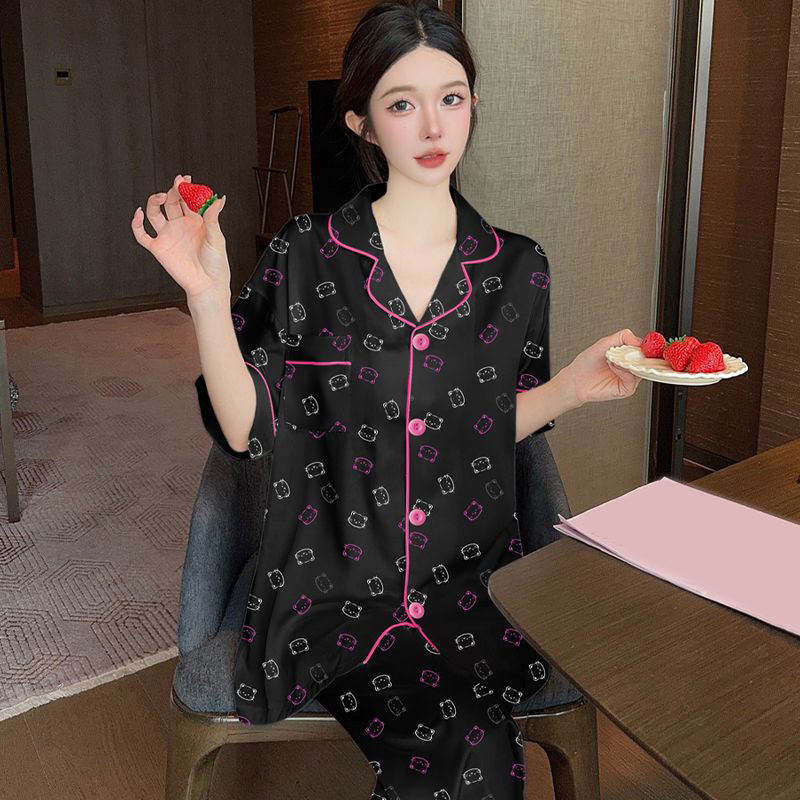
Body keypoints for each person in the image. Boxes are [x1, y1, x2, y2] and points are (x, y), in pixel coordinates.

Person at [131, 2, 642, 797]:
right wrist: (206, 295)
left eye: (452, 97)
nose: (434, 126)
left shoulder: (516, 270)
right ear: (363, 122)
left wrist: (571, 388)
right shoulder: (306, 255)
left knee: (471, 753)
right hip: (332, 575)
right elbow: (243, 429)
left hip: (465, 573)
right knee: (469, 756)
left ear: (473, 104)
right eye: (403, 103)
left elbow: (479, 426)